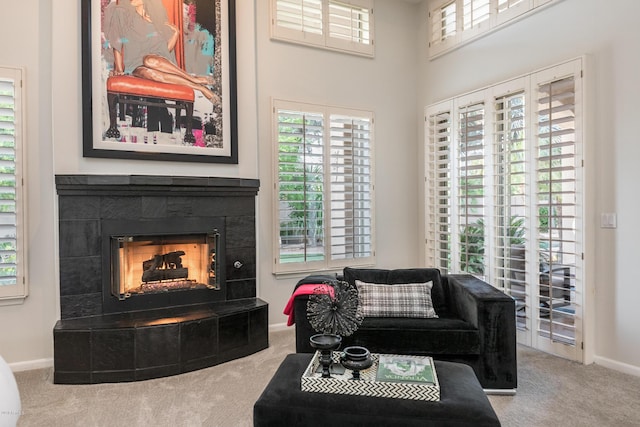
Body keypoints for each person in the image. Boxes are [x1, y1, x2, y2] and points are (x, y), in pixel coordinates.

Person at [103, 0, 218, 103]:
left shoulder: (156, 20)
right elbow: (116, 42)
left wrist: (175, 34)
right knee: (149, 71)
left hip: (156, 61)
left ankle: (197, 83)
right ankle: (198, 85)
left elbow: (165, 51)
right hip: (135, 65)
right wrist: (118, 68)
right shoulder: (121, 13)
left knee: (149, 60)